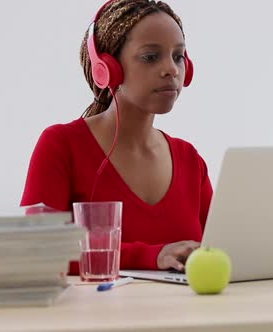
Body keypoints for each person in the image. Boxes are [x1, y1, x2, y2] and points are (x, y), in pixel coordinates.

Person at [20, 0, 212, 274]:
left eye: (178, 56)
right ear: (108, 68)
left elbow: (218, 247)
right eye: (150, 57)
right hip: (93, 316)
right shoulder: (61, 145)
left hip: (184, 316)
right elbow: (36, 251)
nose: (172, 69)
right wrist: (152, 255)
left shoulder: (190, 159)